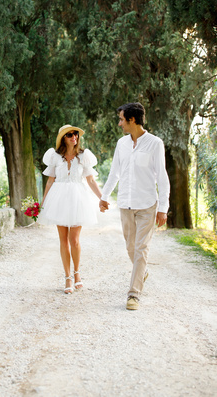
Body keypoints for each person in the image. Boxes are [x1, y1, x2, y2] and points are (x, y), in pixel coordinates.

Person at [99, 103, 170, 310]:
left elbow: (162, 177)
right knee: (131, 247)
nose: (119, 123)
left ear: (132, 120)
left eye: (121, 119)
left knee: (141, 248)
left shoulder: (155, 143)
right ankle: (142, 271)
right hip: (125, 204)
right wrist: (104, 196)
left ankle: (133, 294)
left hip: (147, 204)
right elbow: (115, 173)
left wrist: (163, 208)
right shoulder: (121, 144)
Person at [39, 124, 102, 294]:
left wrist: (101, 198)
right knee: (63, 240)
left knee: (74, 240)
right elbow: (50, 181)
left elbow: (90, 180)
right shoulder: (55, 157)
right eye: (70, 135)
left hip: (77, 199)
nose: (74, 137)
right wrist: (43, 204)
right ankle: (67, 277)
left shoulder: (83, 156)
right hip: (59, 199)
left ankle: (77, 273)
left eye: (76, 134)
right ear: (63, 138)